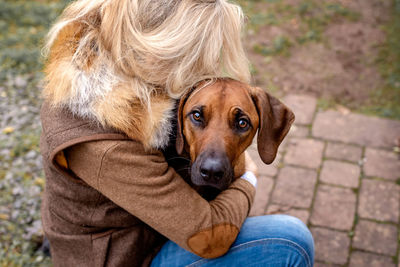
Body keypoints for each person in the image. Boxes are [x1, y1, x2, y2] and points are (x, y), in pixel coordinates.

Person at [40, 0, 314, 266]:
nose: (203, 67)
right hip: (129, 257)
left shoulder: (135, 77)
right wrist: (248, 177)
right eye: (195, 52)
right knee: (291, 241)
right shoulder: (101, 141)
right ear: (160, 44)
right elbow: (211, 237)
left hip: (147, 230)